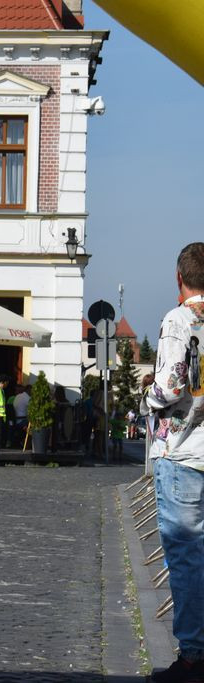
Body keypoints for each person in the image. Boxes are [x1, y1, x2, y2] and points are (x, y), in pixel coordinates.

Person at [140, 242, 204, 683]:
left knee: (186, 558)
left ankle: (194, 657)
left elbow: (170, 386)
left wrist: (146, 395)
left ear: (179, 278)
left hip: (181, 451)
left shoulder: (179, 319)